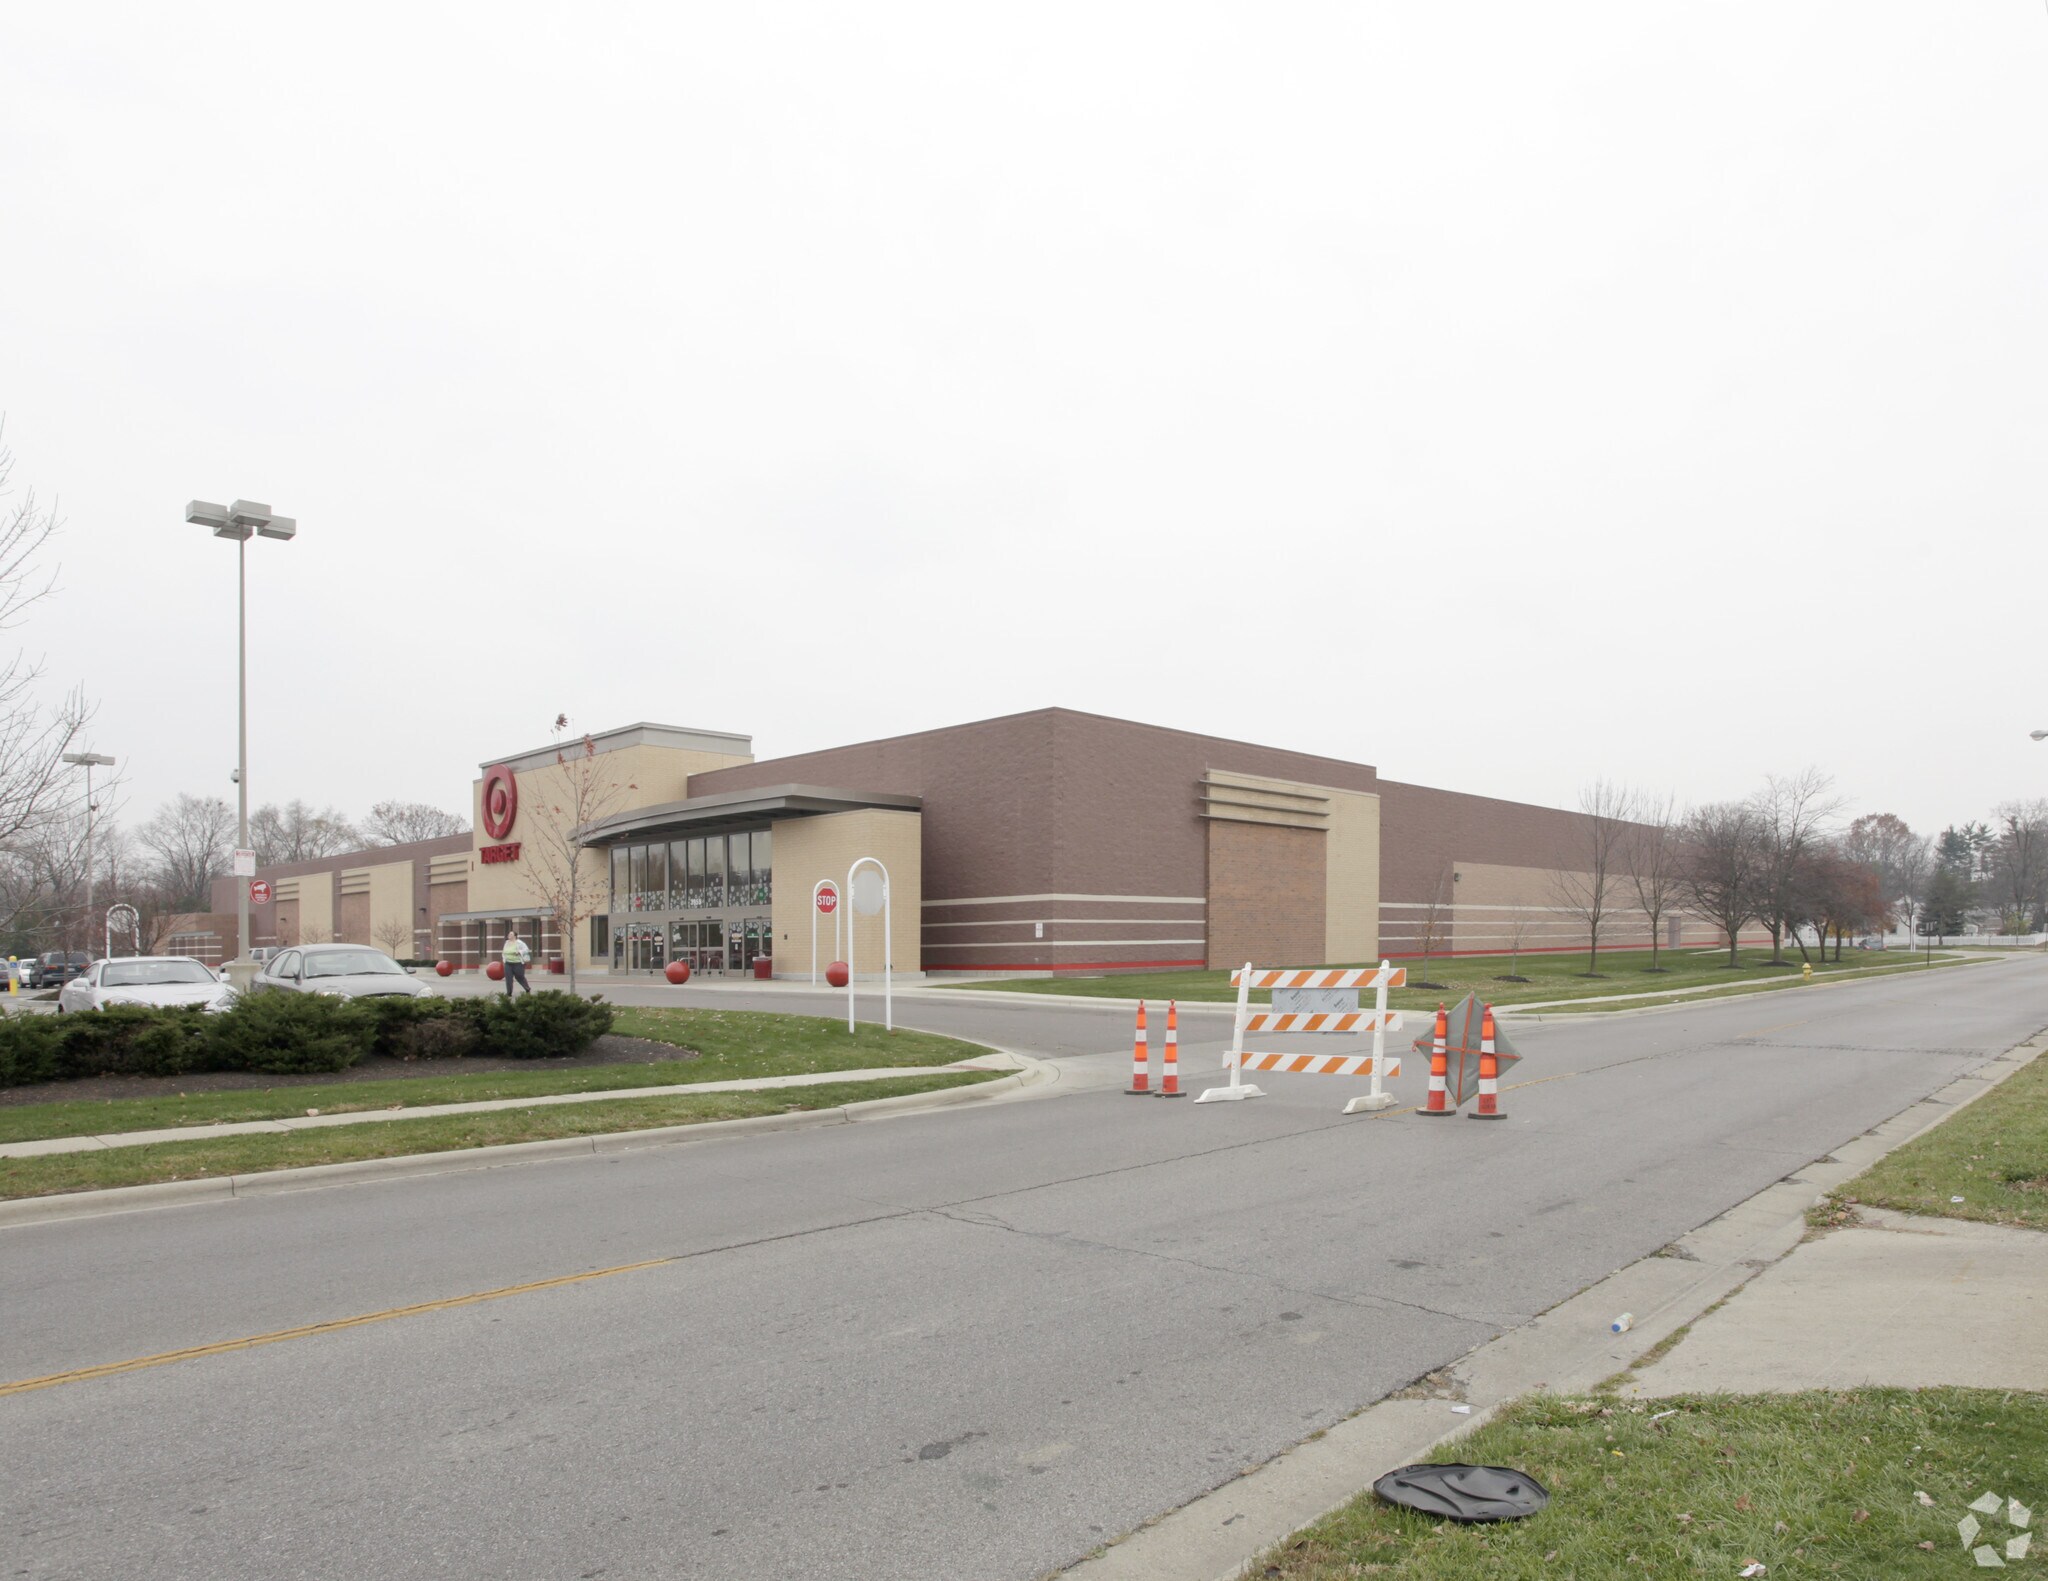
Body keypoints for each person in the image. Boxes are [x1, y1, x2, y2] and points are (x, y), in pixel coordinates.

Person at [501, 925, 533, 997]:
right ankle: (509, 993)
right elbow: (503, 952)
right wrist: (504, 959)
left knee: (519, 977)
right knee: (508, 978)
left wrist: (519, 952)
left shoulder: (519, 943)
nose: (509, 935)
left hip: (518, 963)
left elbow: (526, 950)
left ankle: (527, 988)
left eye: (511, 934)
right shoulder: (506, 943)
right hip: (508, 963)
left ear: (515, 936)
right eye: (509, 934)